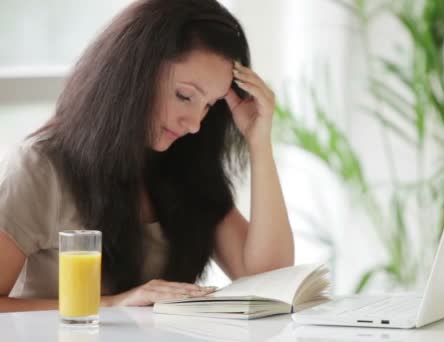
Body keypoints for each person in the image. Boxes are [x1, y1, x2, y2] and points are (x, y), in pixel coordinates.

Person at [0, 0, 294, 312]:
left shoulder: (186, 168)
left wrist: (259, 142)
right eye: (185, 96)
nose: (194, 124)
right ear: (135, 73)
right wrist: (115, 303)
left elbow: (270, 282)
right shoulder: (42, 168)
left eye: (209, 105)